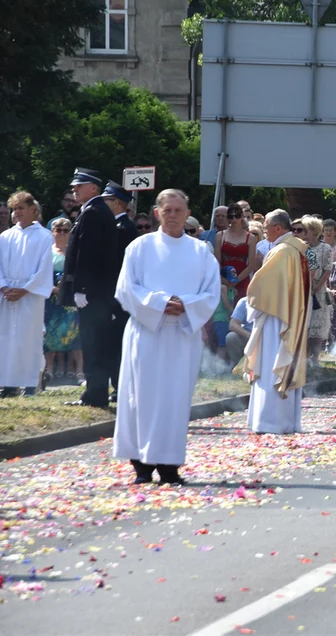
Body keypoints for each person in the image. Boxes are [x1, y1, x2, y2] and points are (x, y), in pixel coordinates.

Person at [112, 189, 220, 485]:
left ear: (187, 214)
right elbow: (126, 289)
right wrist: (160, 304)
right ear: (157, 213)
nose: (172, 215)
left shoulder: (201, 252)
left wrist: (184, 304)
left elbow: (211, 293)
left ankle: (169, 464)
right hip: (146, 332)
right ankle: (142, 464)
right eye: (167, 210)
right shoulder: (140, 247)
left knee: (174, 398)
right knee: (141, 397)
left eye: (178, 210)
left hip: (182, 336)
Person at [240, 209, 310, 434]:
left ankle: (270, 421)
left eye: (266, 227)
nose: (264, 232)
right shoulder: (293, 249)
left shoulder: (281, 251)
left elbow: (260, 288)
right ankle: (284, 421)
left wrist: (249, 303)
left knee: (271, 363)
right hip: (288, 316)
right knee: (279, 363)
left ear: (278, 228)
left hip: (275, 320)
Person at [61, 168, 119, 408]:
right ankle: (95, 393)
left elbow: (89, 252)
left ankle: (95, 395)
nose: (74, 189)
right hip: (97, 292)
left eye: (79, 185)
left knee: (94, 343)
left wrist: (82, 287)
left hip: (93, 293)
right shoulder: (94, 210)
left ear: (94, 188)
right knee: (94, 343)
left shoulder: (94, 212)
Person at [0, 193, 53, 395]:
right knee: (6, 339)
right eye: (15, 209)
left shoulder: (44, 236)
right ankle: (9, 383)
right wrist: (4, 286)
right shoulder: (5, 237)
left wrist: (25, 289)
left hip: (29, 295)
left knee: (28, 338)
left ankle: (31, 383)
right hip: (7, 295)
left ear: (33, 210)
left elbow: (44, 268)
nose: (17, 213)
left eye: (21, 208)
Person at [103, 182, 137, 397]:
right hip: (114, 297)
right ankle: (117, 385)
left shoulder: (123, 229)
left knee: (117, 344)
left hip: (118, 299)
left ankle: (119, 387)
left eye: (106, 200)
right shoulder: (116, 227)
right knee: (112, 344)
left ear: (116, 203)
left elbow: (117, 269)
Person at [43, 218, 82, 384]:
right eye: (58, 230)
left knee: (75, 334)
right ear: (52, 232)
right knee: (51, 334)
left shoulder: (75, 251)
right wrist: (54, 289)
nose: (62, 233)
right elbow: (42, 275)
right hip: (52, 298)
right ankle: (49, 369)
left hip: (71, 298)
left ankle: (80, 371)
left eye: (66, 230)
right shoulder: (47, 252)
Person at [300, 215, 334, 363]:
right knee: (304, 327)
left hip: (318, 293)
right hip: (301, 291)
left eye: (305, 230)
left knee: (317, 327)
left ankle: (315, 359)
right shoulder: (301, 247)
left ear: (314, 231)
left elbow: (327, 270)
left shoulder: (325, 248)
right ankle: (305, 358)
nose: (302, 233)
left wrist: (316, 287)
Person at [215, 202, 257, 298]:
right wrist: (225, 281)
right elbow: (217, 262)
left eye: (237, 216)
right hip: (223, 280)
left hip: (242, 280)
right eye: (231, 216)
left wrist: (236, 281)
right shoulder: (220, 235)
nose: (234, 219)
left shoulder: (250, 238)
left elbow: (250, 265)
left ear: (242, 216)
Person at [225, 296, 253, 366]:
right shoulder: (244, 301)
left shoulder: (275, 302)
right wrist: (251, 336)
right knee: (231, 337)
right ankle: (238, 366)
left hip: (267, 337)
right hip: (249, 336)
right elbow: (233, 325)